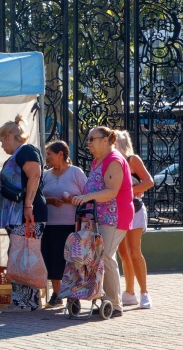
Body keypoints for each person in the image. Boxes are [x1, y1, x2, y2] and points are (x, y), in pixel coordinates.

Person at [72, 127, 134, 318]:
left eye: (92, 139)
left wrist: (88, 196)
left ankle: (115, 305)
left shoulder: (114, 160)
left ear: (106, 140)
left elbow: (111, 191)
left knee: (106, 255)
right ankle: (104, 298)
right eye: (88, 139)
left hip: (115, 217)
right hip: (100, 216)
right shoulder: (97, 161)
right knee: (99, 257)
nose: (88, 142)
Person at [0, 114, 48, 312]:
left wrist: (28, 205)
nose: (1, 145)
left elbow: (35, 175)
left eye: (2, 140)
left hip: (27, 214)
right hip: (19, 215)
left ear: (10, 136)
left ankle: (27, 302)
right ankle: (22, 301)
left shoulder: (26, 151)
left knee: (25, 254)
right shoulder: (18, 154)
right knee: (19, 254)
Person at [41, 141, 87, 306]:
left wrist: (71, 200)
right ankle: (57, 293)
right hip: (50, 225)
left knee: (71, 260)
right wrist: (51, 200)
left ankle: (73, 295)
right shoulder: (46, 175)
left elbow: (88, 197)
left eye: (49, 155)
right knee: (53, 258)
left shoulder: (76, 173)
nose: (47, 158)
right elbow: (39, 198)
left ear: (60, 155)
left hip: (71, 225)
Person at [115, 131, 153, 309]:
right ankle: (129, 292)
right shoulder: (111, 164)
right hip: (117, 210)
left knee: (134, 251)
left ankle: (144, 292)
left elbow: (149, 181)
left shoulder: (132, 160)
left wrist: (129, 189)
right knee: (123, 252)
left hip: (135, 208)